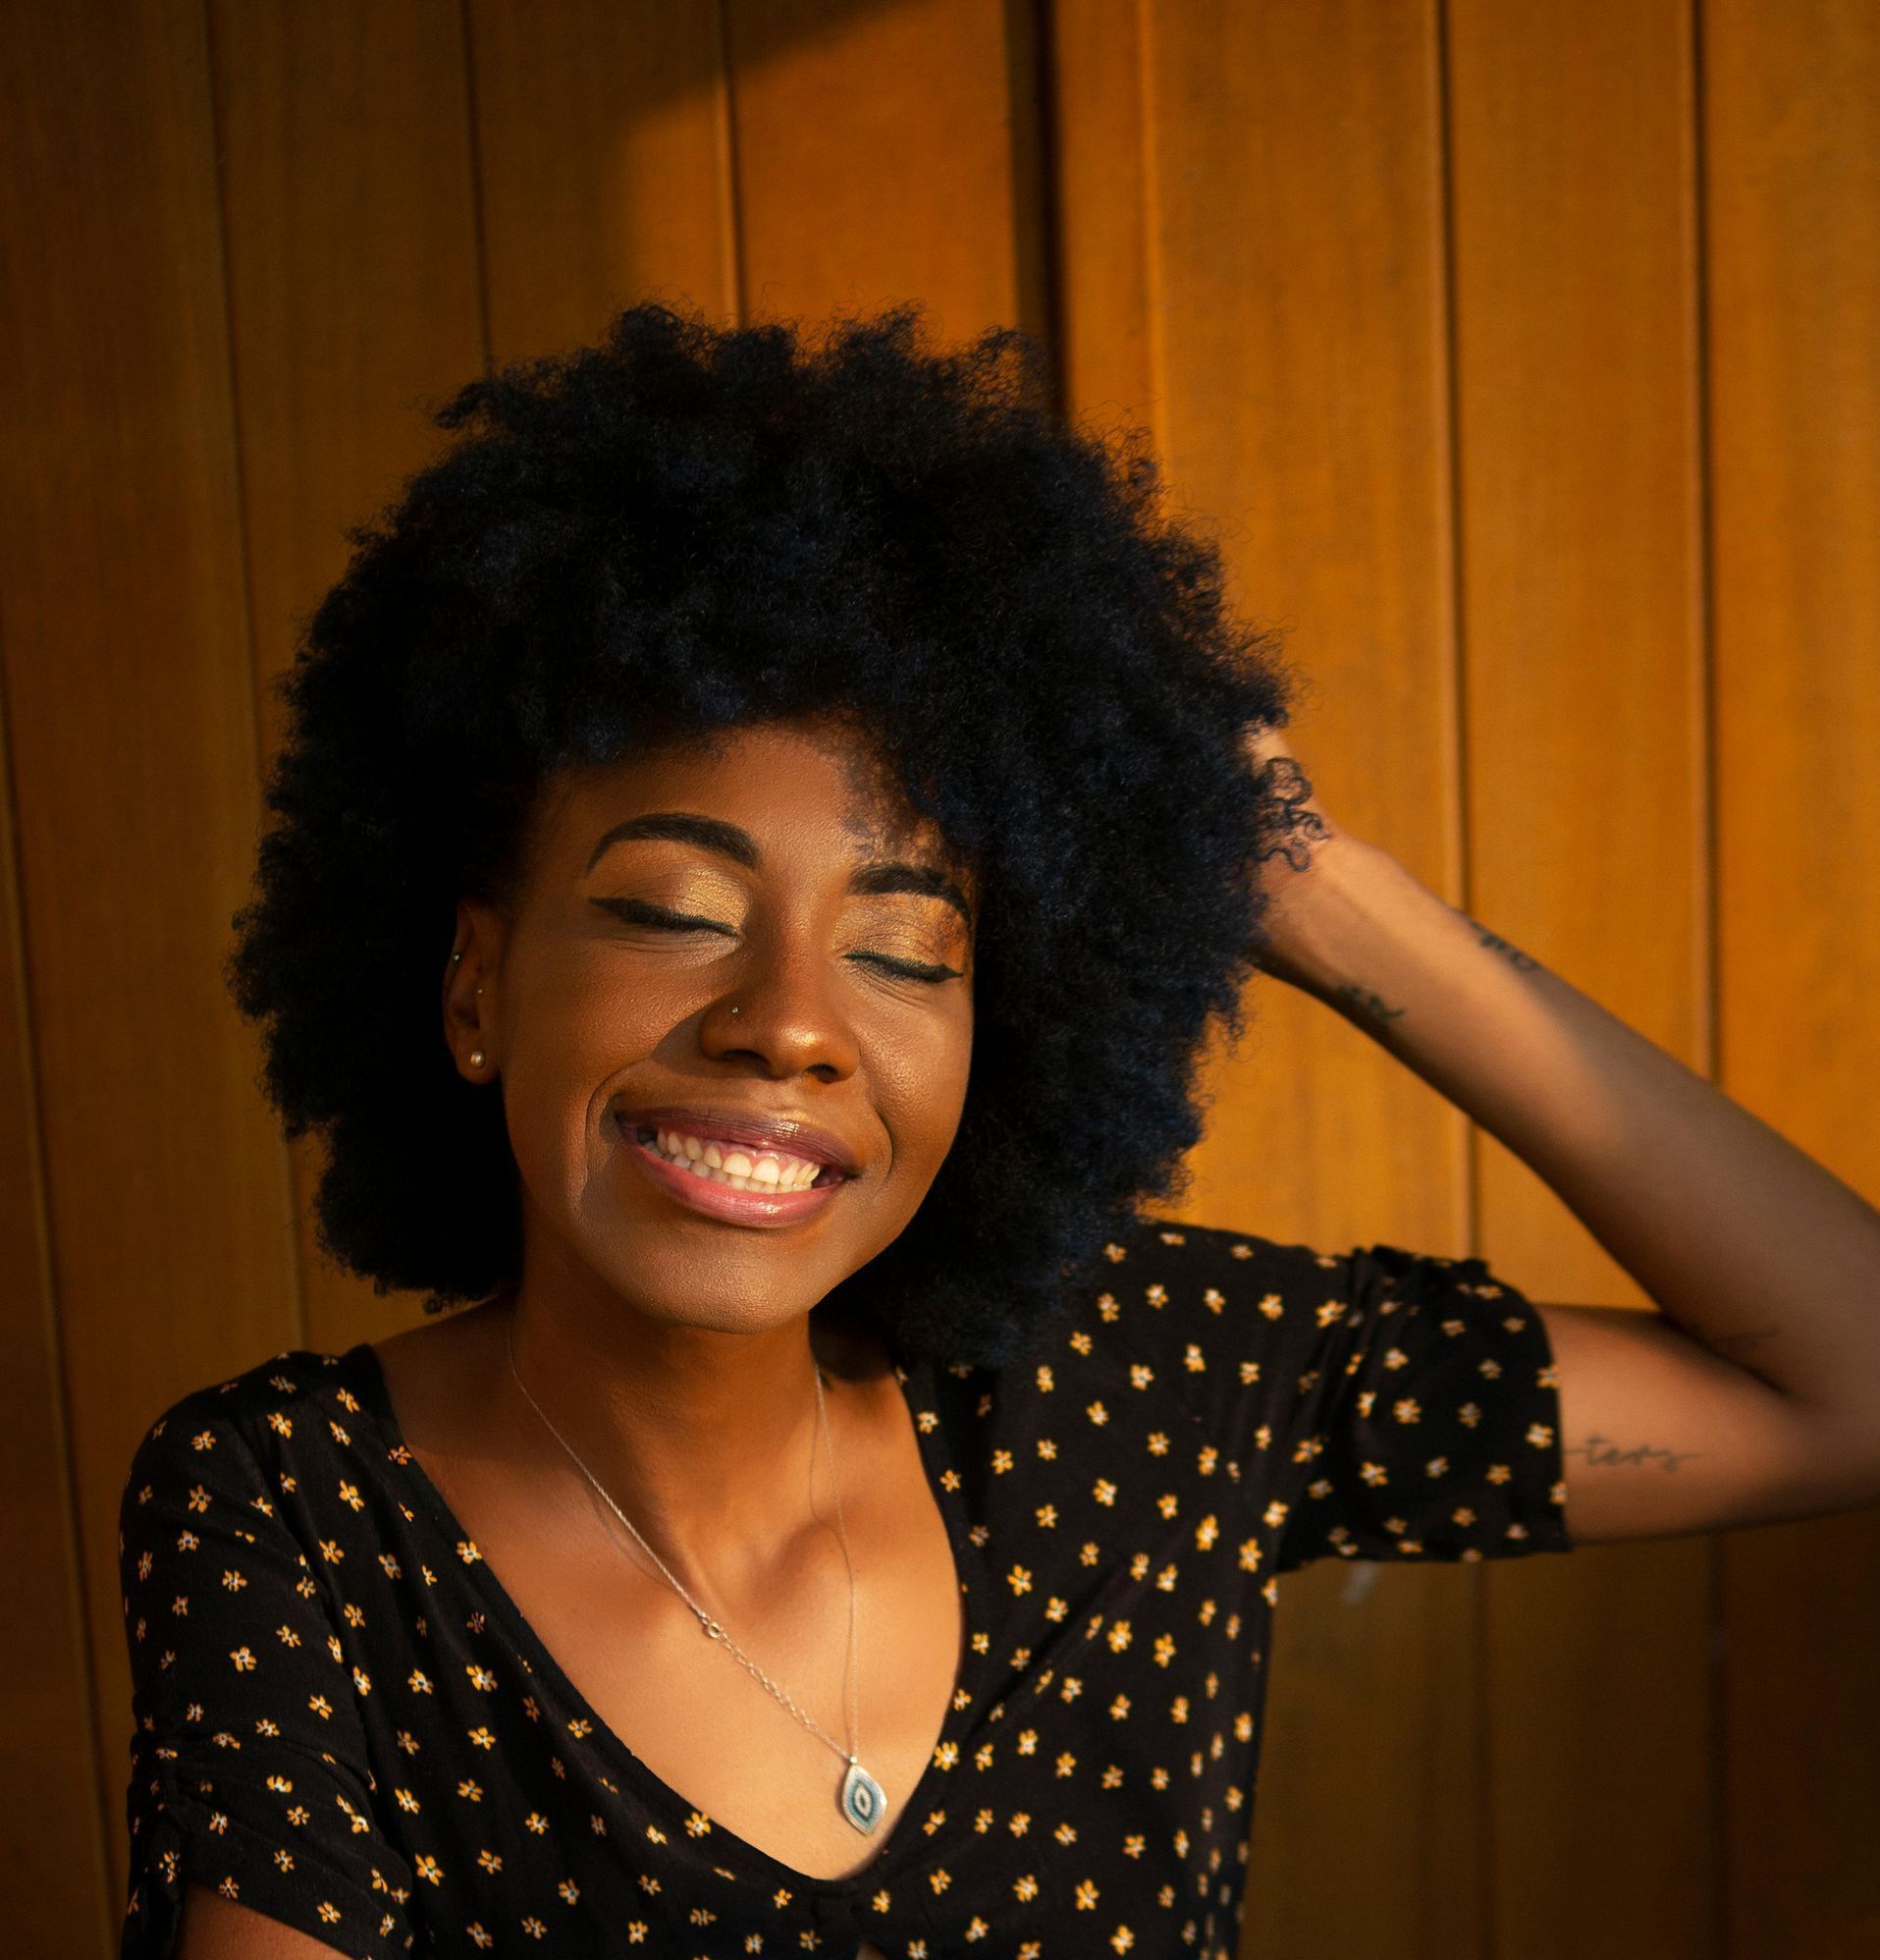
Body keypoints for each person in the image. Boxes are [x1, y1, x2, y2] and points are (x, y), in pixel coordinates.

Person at [117, 303, 1880, 1960]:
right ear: (476, 986)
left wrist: (1299, 877)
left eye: (903, 951)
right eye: (671, 910)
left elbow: (1851, 1382)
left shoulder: (1151, 1388)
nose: (790, 1021)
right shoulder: (295, 1513)